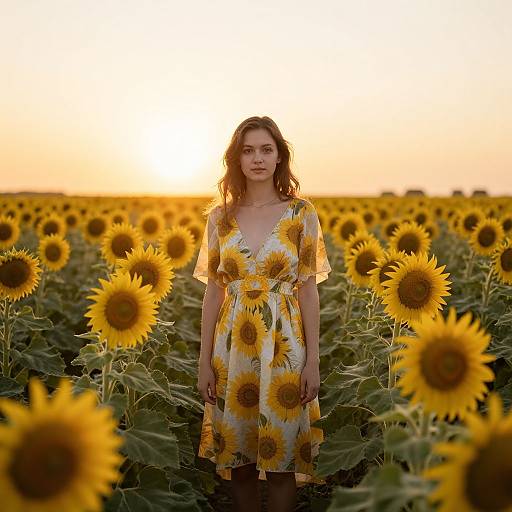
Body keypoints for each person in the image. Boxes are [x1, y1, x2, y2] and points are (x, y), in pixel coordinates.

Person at [193, 116, 331, 512]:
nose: (257, 158)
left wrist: (313, 362)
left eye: (266, 149)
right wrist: (204, 362)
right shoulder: (220, 218)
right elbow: (213, 293)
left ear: (279, 157)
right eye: (248, 150)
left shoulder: (301, 213)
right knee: (239, 461)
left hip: (285, 346)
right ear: (236, 159)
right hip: (231, 347)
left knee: (283, 461)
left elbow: (307, 289)